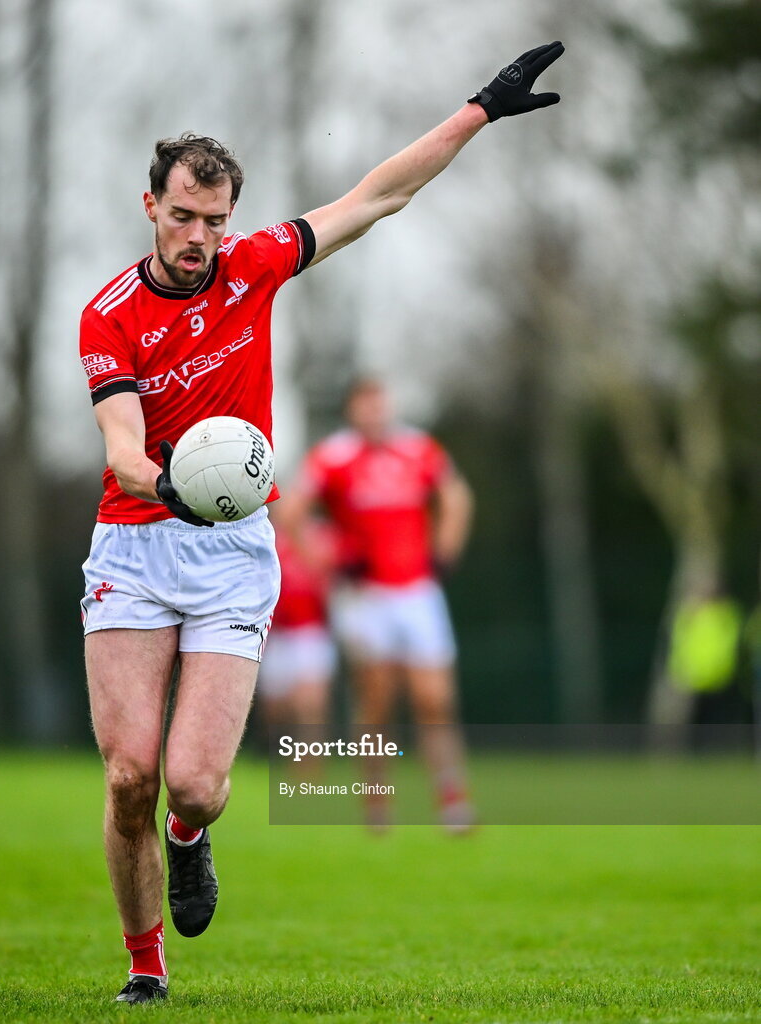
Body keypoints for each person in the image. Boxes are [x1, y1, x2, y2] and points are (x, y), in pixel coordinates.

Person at [78, 42, 564, 1002]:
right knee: (130, 775)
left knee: (195, 787)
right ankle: (144, 968)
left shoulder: (254, 268)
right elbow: (122, 445)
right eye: (182, 217)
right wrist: (167, 481)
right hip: (134, 545)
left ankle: (192, 838)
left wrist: (479, 110)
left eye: (214, 220)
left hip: (231, 556)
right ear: (151, 208)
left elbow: (378, 197)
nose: (199, 237)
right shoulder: (110, 315)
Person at [283, 379, 476, 831]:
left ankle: (452, 800)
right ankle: (377, 804)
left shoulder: (418, 449)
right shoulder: (334, 457)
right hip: (365, 596)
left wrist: (445, 551)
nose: (373, 415)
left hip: (417, 592)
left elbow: (456, 497)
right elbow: (292, 512)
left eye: (379, 405)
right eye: (364, 407)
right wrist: (325, 562)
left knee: (436, 698)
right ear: (352, 411)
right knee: (377, 701)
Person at [257, 513, 338, 730]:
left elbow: (331, 580)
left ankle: (308, 761)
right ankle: (279, 757)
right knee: (275, 712)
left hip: (310, 632)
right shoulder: (267, 535)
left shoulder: (323, 536)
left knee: (310, 707)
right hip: (277, 634)